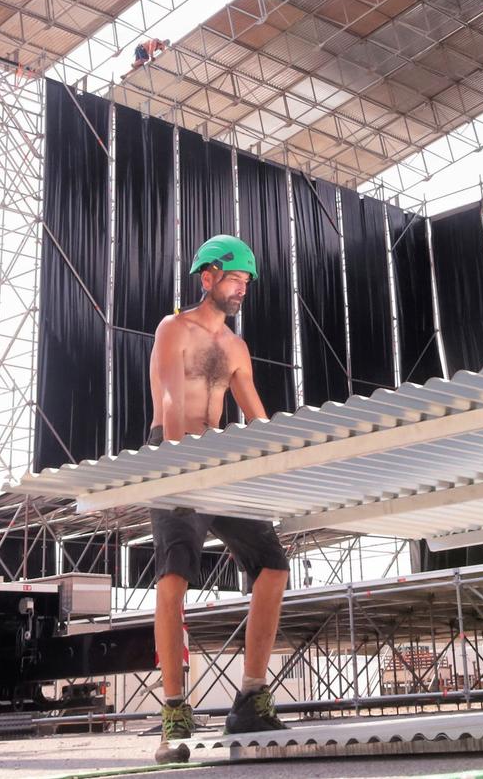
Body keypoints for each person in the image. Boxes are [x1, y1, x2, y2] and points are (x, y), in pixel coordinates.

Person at [147, 234, 291, 761]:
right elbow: (168, 397)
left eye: (246, 282)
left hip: (219, 459)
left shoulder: (234, 347)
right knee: (174, 575)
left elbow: (255, 416)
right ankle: (174, 712)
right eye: (234, 279)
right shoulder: (173, 329)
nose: (241, 290)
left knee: (273, 565)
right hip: (171, 454)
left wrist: (283, 460)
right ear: (206, 277)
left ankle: (251, 695)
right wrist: (183, 465)